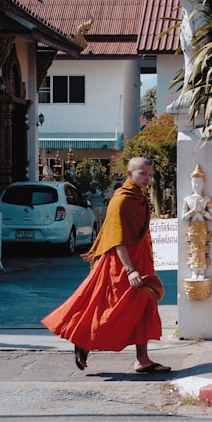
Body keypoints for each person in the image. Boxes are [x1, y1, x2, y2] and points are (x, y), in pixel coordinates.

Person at [42, 157, 170, 374]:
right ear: (129, 174)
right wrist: (130, 270)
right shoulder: (121, 199)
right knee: (114, 311)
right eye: (142, 174)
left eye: (149, 174)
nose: (147, 178)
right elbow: (117, 238)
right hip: (122, 265)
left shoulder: (138, 196)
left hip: (141, 260)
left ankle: (143, 359)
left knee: (144, 308)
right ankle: (84, 341)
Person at [181, 164, 212, 280]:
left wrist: (201, 211)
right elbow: (183, 217)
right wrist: (193, 211)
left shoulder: (206, 199)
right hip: (192, 227)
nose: (197, 185)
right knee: (194, 248)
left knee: (202, 249)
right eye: (195, 183)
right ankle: (194, 271)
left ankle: (202, 271)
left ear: (203, 184)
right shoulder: (188, 199)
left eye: (199, 183)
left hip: (202, 227)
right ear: (191, 183)